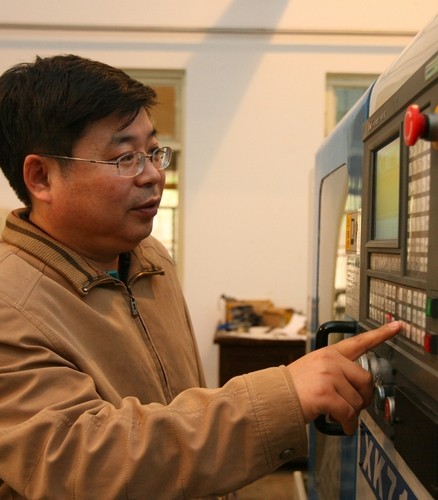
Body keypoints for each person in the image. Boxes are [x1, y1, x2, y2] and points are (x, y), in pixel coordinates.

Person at [0, 54, 401, 499]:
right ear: (41, 177)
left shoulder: (149, 258)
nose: (154, 175)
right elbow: (83, 464)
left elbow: (179, 406)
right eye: (125, 157)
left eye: (154, 152)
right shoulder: (11, 305)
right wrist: (282, 396)